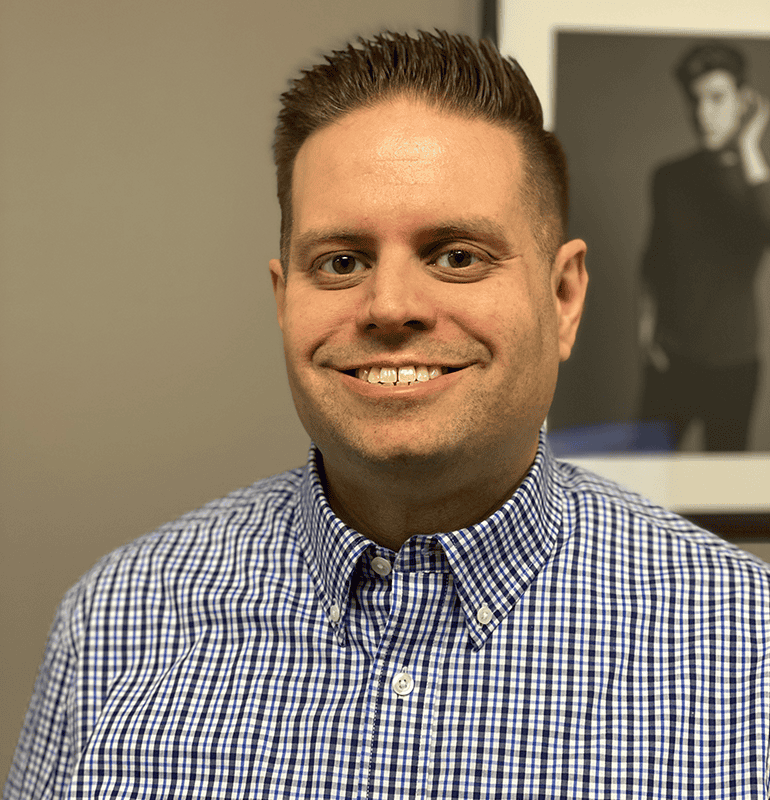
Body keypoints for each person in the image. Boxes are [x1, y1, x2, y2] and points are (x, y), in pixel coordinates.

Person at [5, 31, 769, 799]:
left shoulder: (744, 646)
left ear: (564, 298)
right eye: (341, 262)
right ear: (284, 302)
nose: (391, 306)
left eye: (457, 256)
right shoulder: (114, 626)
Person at [639, 41, 770, 451]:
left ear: (743, 101)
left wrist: (750, 147)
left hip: (734, 365)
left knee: (722, 482)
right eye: (695, 100)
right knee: (647, 475)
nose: (703, 113)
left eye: (717, 98)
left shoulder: (758, 184)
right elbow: (655, 258)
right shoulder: (669, 177)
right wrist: (646, 326)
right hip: (671, 360)